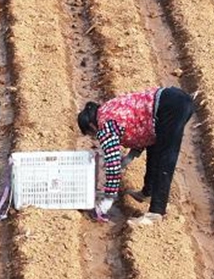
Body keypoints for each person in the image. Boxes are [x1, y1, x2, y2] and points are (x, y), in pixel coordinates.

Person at [77, 86, 196, 226]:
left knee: (166, 156)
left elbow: (114, 169)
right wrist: (130, 157)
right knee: (156, 146)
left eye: (91, 134)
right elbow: (139, 126)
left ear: (91, 125)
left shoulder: (104, 127)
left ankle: (156, 212)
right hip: (174, 100)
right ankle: (148, 192)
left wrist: (107, 201)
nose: (95, 138)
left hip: (169, 106)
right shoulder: (108, 109)